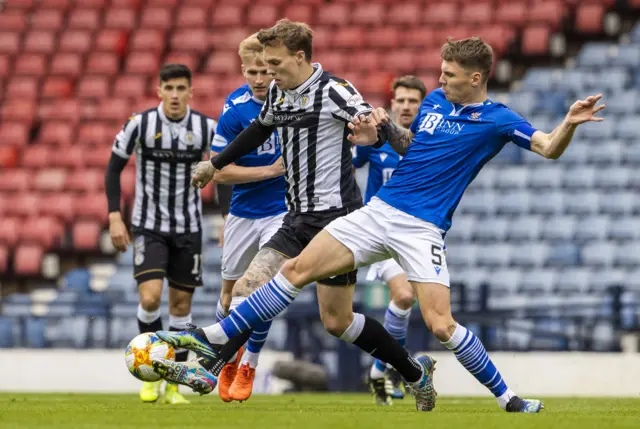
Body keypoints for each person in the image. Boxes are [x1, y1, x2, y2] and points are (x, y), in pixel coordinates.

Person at [157, 36, 606, 412]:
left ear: (475, 77)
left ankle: (507, 397)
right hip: (377, 213)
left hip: (422, 227)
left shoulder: (498, 119)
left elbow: (548, 147)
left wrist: (567, 123)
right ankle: (209, 340)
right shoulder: (433, 102)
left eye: (448, 73)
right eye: (441, 71)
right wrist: (380, 133)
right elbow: (413, 148)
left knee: (440, 324)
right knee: (294, 272)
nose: (440, 79)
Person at [152, 19, 438, 412]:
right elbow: (256, 130)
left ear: (300, 57)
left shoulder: (335, 91)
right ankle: (211, 365)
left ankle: (413, 373)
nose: (268, 71)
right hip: (296, 219)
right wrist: (213, 164)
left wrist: (381, 131)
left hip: (339, 223)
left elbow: (377, 125)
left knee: (335, 321)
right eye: (264, 64)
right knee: (245, 289)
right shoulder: (279, 94)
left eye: (275, 63)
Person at [104, 64, 216, 404]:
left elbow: (222, 171)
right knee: (150, 298)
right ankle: (150, 373)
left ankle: (173, 384)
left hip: (189, 227)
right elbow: (113, 169)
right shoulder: (140, 124)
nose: (175, 95)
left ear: (190, 92)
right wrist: (114, 216)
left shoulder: (206, 128)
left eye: (182, 88)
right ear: (159, 91)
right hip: (149, 225)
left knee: (180, 307)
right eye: (169, 88)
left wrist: (226, 217)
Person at [211, 33, 287, 402]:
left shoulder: (290, 101)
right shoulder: (234, 108)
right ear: (243, 70)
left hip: (282, 212)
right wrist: (268, 172)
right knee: (228, 295)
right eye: (252, 72)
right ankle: (226, 358)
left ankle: (249, 365)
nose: (259, 79)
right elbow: (219, 172)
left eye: (265, 71)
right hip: (242, 211)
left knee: (261, 289)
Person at [352, 75, 427, 405]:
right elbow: (345, 163)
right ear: (392, 104)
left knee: (405, 303)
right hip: (378, 234)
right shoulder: (377, 139)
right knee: (403, 294)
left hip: (413, 235)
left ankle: (381, 369)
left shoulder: (428, 142)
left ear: (422, 105)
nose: (407, 105)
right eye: (401, 100)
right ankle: (390, 368)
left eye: (413, 100)